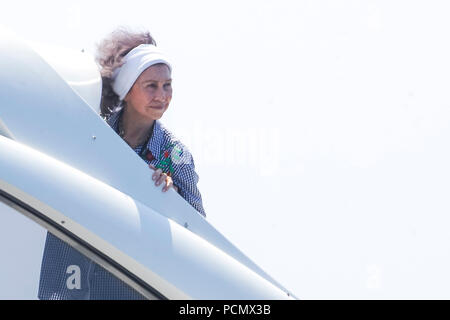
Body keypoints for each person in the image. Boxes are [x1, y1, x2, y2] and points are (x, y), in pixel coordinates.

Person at [38, 27, 206, 300]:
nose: (162, 95)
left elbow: (199, 232)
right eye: (151, 86)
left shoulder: (176, 155)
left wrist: (171, 199)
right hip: (80, 280)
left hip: (140, 283)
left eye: (167, 85)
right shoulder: (93, 140)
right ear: (127, 91)